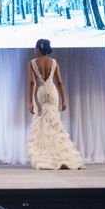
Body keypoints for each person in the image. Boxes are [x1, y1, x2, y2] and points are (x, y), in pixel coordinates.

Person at [26, 39, 85, 170]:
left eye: (35, 48)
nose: (34, 50)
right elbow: (59, 82)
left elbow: (32, 83)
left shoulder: (32, 63)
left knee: (43, 122)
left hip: (41, 92)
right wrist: (63, 100)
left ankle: (45, 157)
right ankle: (61, 156)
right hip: (52, 92)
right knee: (54, 122)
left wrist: (30, 102)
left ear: (39, 49)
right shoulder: (53, 62)